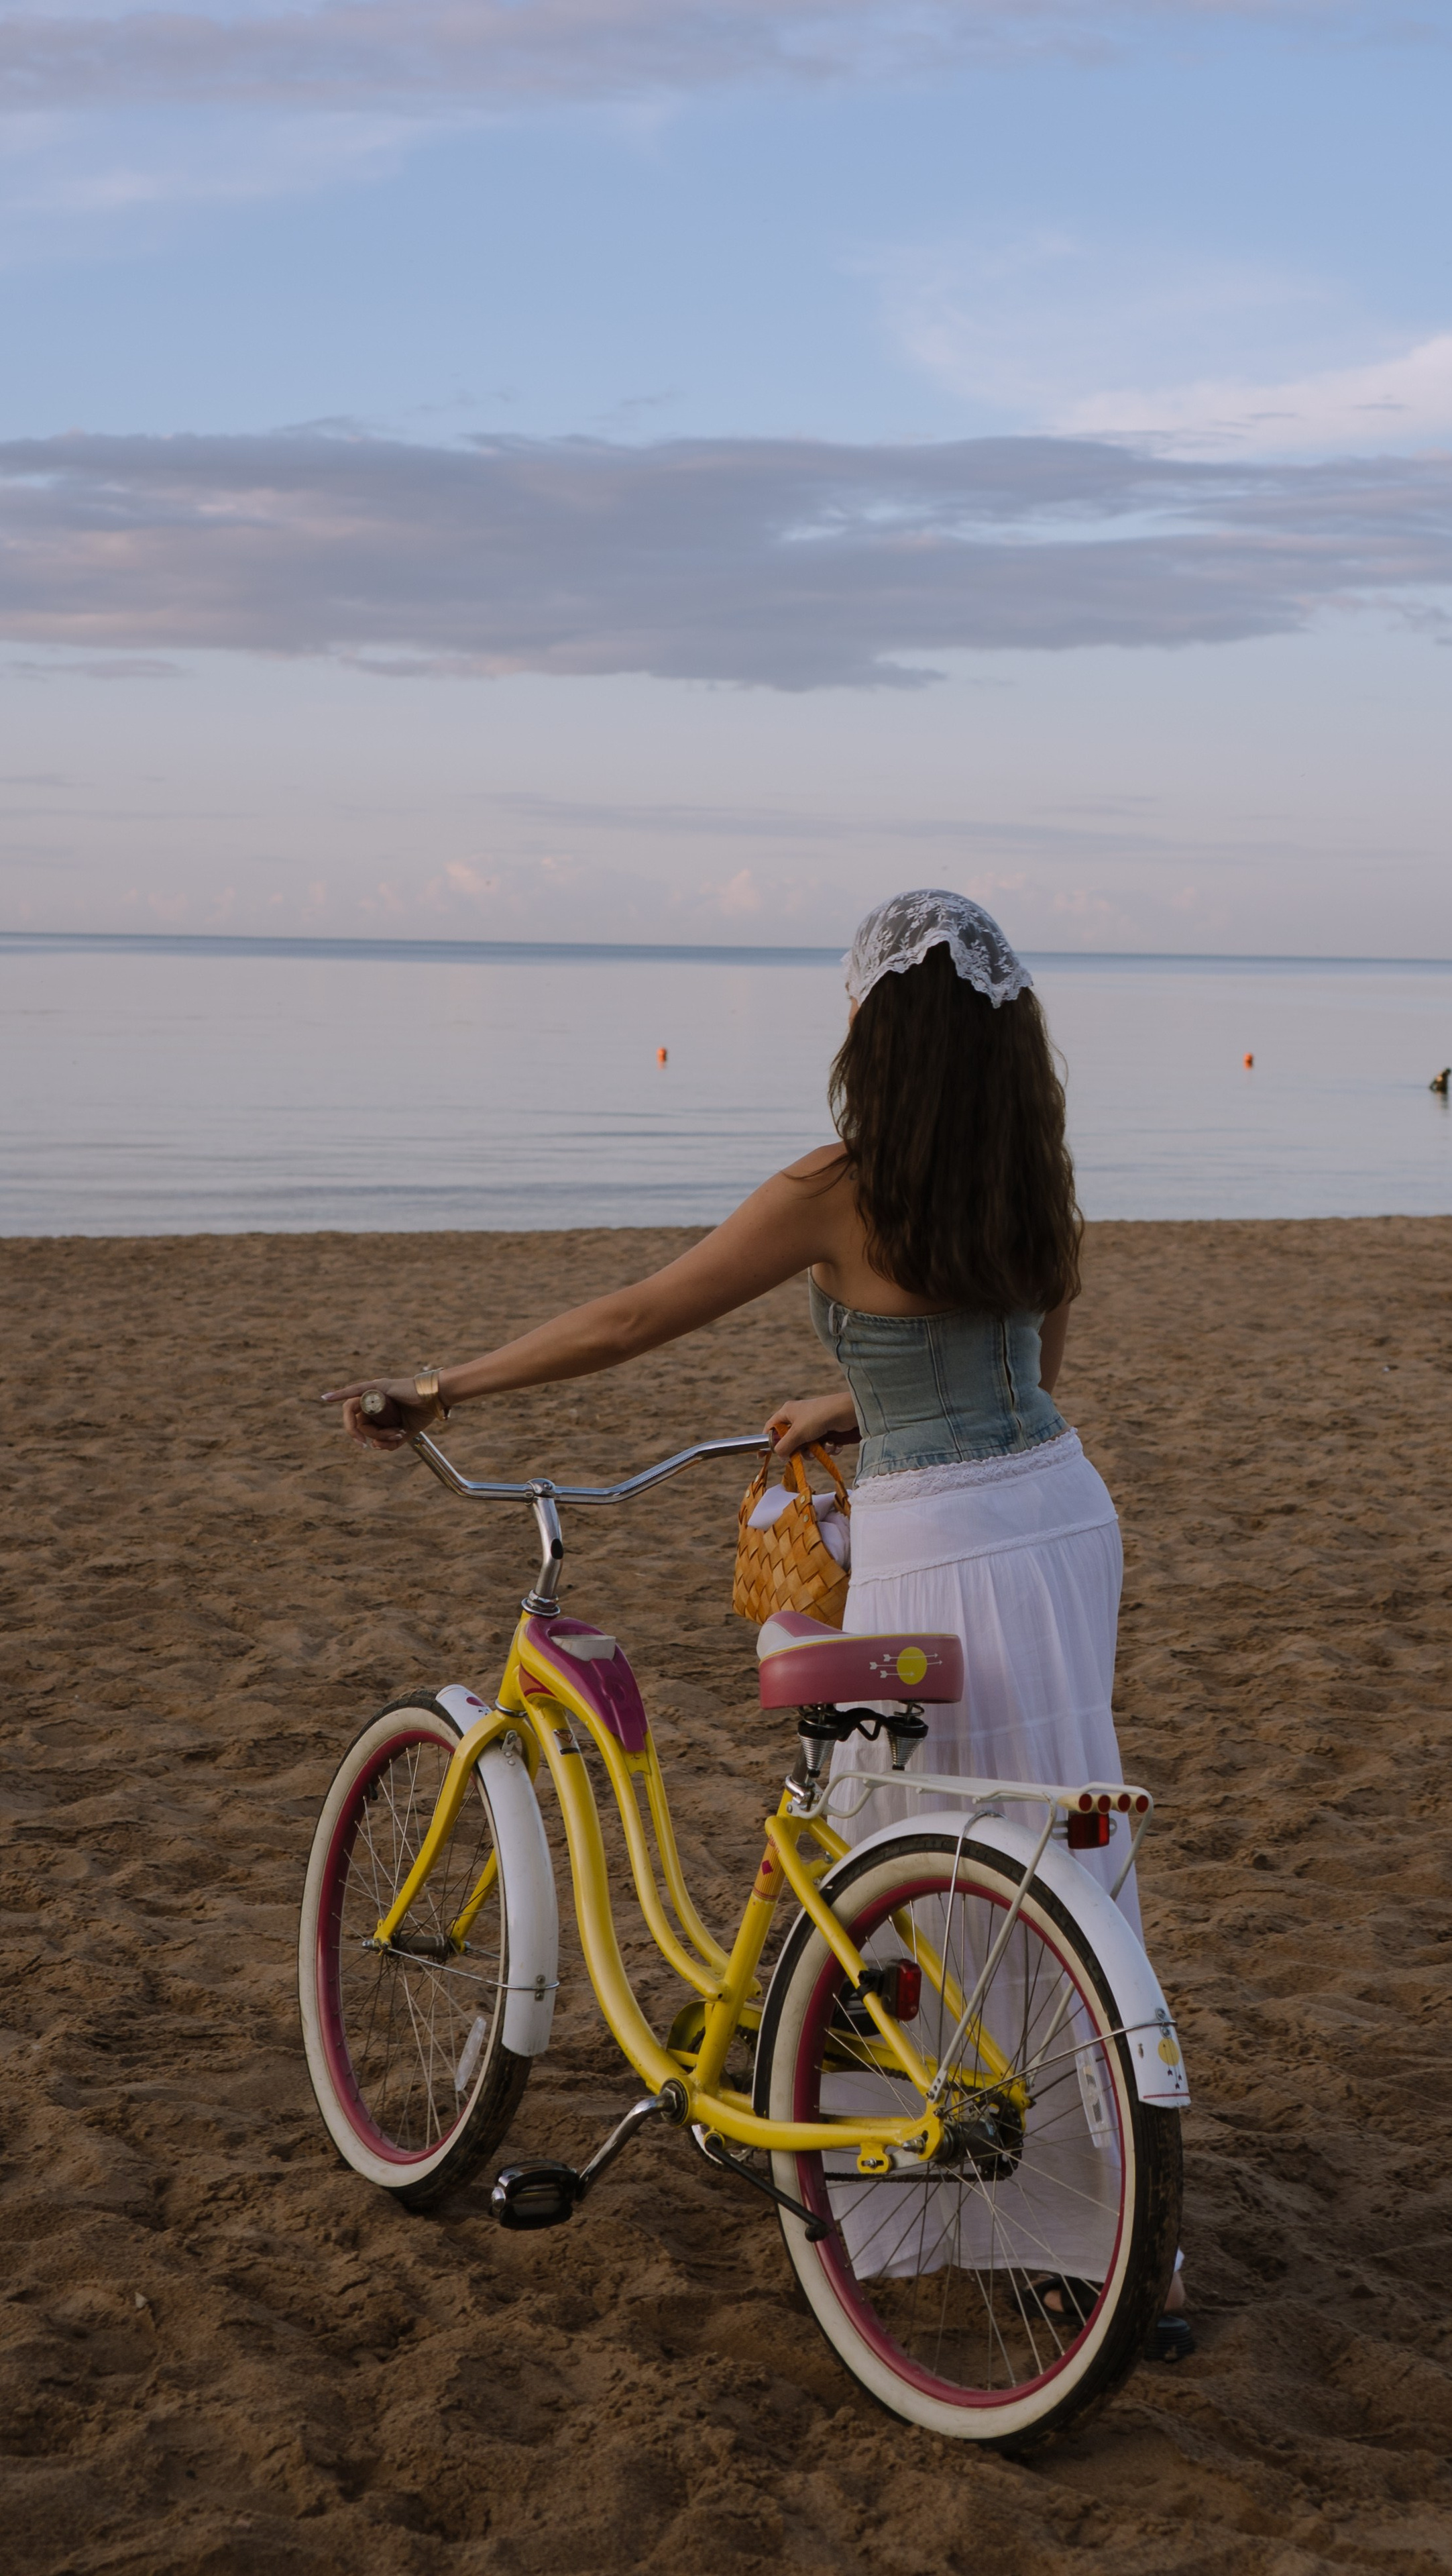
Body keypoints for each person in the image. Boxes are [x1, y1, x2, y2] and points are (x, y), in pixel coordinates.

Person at [325, 887, 1185, 2337]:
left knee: (912, 1849)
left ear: (877, 1034)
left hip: (936, 1543)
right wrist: (862, 1397)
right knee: (1048, 1840)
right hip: (1056, 1515)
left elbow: (633, 1318)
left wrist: (442, 1387)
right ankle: (1115, 2222)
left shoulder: (839, 1189)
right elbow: (1029, 1355)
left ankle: (960, 2181)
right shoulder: (1029, 1173)